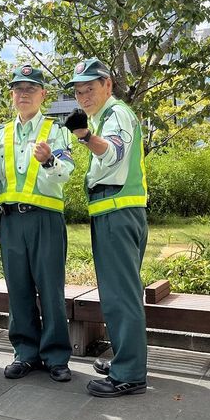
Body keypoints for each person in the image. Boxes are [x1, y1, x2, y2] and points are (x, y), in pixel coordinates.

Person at [63, 58, 149, 397]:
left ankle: (130, 374)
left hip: (118, 212)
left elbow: (112, 152)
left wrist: (84, 135)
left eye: (90, 88)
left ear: (108, 85)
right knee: (119, 293)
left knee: (121, 295)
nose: (84, 96)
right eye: (79, 91)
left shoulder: (117, 115)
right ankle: (127, 360)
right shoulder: (107, 117)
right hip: (112, 213)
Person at [0, 64, 74, 383]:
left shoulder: (57, 130)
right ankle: (24, 352)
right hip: (10, 221)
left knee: (50, 288)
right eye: (18, 89)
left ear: (43, 94)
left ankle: (55, 356)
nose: (23, 94)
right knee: (18, 289)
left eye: (30, 89)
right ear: (12, 95)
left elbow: (67, 172)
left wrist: (49, 160)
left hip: (45, 219)